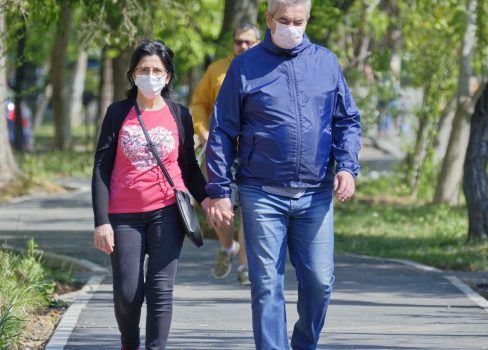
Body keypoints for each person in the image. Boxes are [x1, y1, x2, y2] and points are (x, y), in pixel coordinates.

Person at [205, 0, 361, 349]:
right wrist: (218, 189)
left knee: (320, 282)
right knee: (266, 286)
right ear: (268, 19)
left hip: (315, 193)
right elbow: (222, 131)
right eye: (284, 20)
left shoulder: (326, 63)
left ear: (308, 19)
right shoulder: (245, 67)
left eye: (298, 20)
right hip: (261, 193)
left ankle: (303, 343)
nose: (291, 27)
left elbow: (347, 120)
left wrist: (348, 167)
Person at [91, 39, 217, 350]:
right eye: (143, 70)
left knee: (160, 290)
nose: (150, 76)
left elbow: (188, 168)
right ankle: (129, 343)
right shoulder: (118, 113)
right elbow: (101, 168)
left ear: (168, 76)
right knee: (128, 293)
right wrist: (101, 221)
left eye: (157, 70)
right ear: (133, 75)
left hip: (167, 213)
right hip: (124, 216)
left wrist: (209, 199)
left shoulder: (179, 114)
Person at [190, 23, 260, 285]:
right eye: (239, 41)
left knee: (250, 210)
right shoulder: (217, 70)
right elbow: (199, 103)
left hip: (254, 151)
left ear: (258, 42)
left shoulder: (264, 68)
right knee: (221, 207)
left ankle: (244, 265)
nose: (243, 46)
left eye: (249, 42)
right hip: (221, 150)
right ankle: (228, 247)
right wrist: (202, 130)